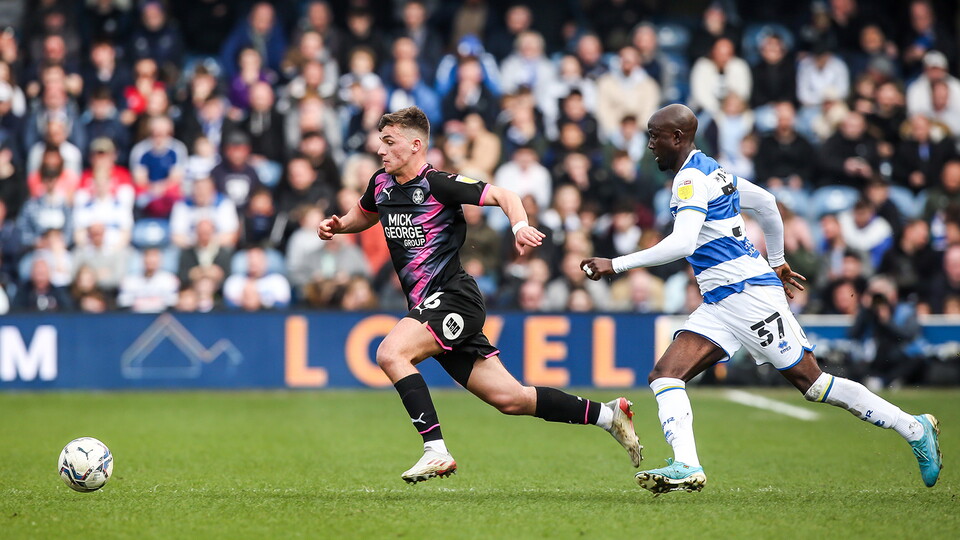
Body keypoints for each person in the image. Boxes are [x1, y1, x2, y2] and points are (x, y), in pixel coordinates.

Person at [580, 104, 942, 494]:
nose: (650, 145)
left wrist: (614, 264)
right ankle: (686, 464)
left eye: (655, 136)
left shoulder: (688, 181)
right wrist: (778, 260)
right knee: (665, 375)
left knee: (813, 384)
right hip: (722, 299)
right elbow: (767, 203)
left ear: (678, 137)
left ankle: (913, 426)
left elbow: (683, 242)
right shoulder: (712, 169)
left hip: (748, 295)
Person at [317, 106, 641, 484]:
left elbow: (505, 194)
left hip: (454, 297)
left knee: (391, 352)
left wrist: (519, 226)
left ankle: (435, 449)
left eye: (389, 143)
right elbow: (365, 214)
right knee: (512, 399)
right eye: (380, 143)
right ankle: (608, 415)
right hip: (428, 307)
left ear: (415, 145)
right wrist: (340, 225)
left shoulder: (438, 184)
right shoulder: (381, 184)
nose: (381, 151)